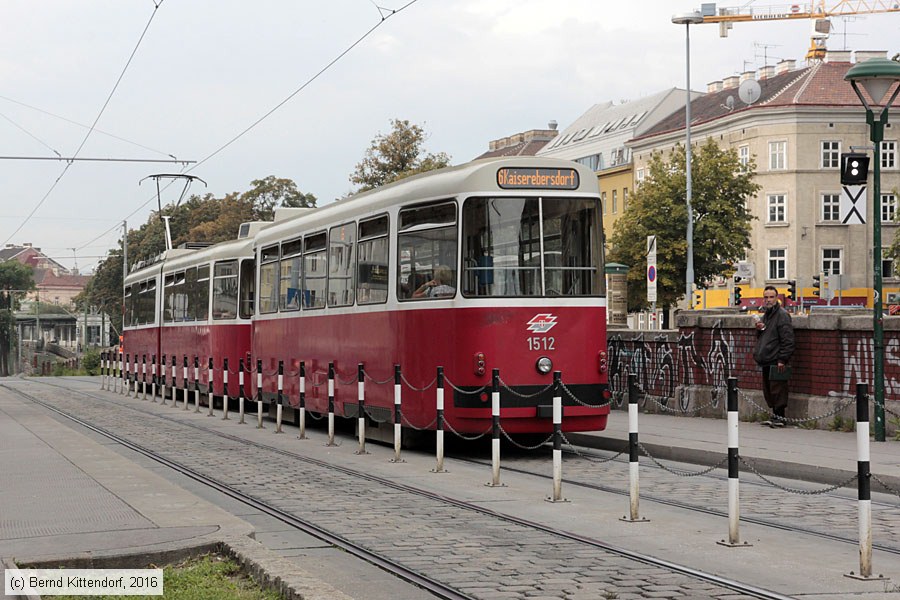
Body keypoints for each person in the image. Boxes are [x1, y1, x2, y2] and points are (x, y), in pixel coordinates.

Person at [752, 285, 795, 427]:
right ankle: (774, 415)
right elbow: (765, 336)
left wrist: (783, 359)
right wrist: (759, 329)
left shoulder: (782, 315)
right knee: (769, 390)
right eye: (766, 297)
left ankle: (780, 417)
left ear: (777, 298)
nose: (768, 300)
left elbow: (788, 339)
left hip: (776, 359)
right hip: (766, 358)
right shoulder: (767, 315)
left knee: (778, 389)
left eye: (771, 297)